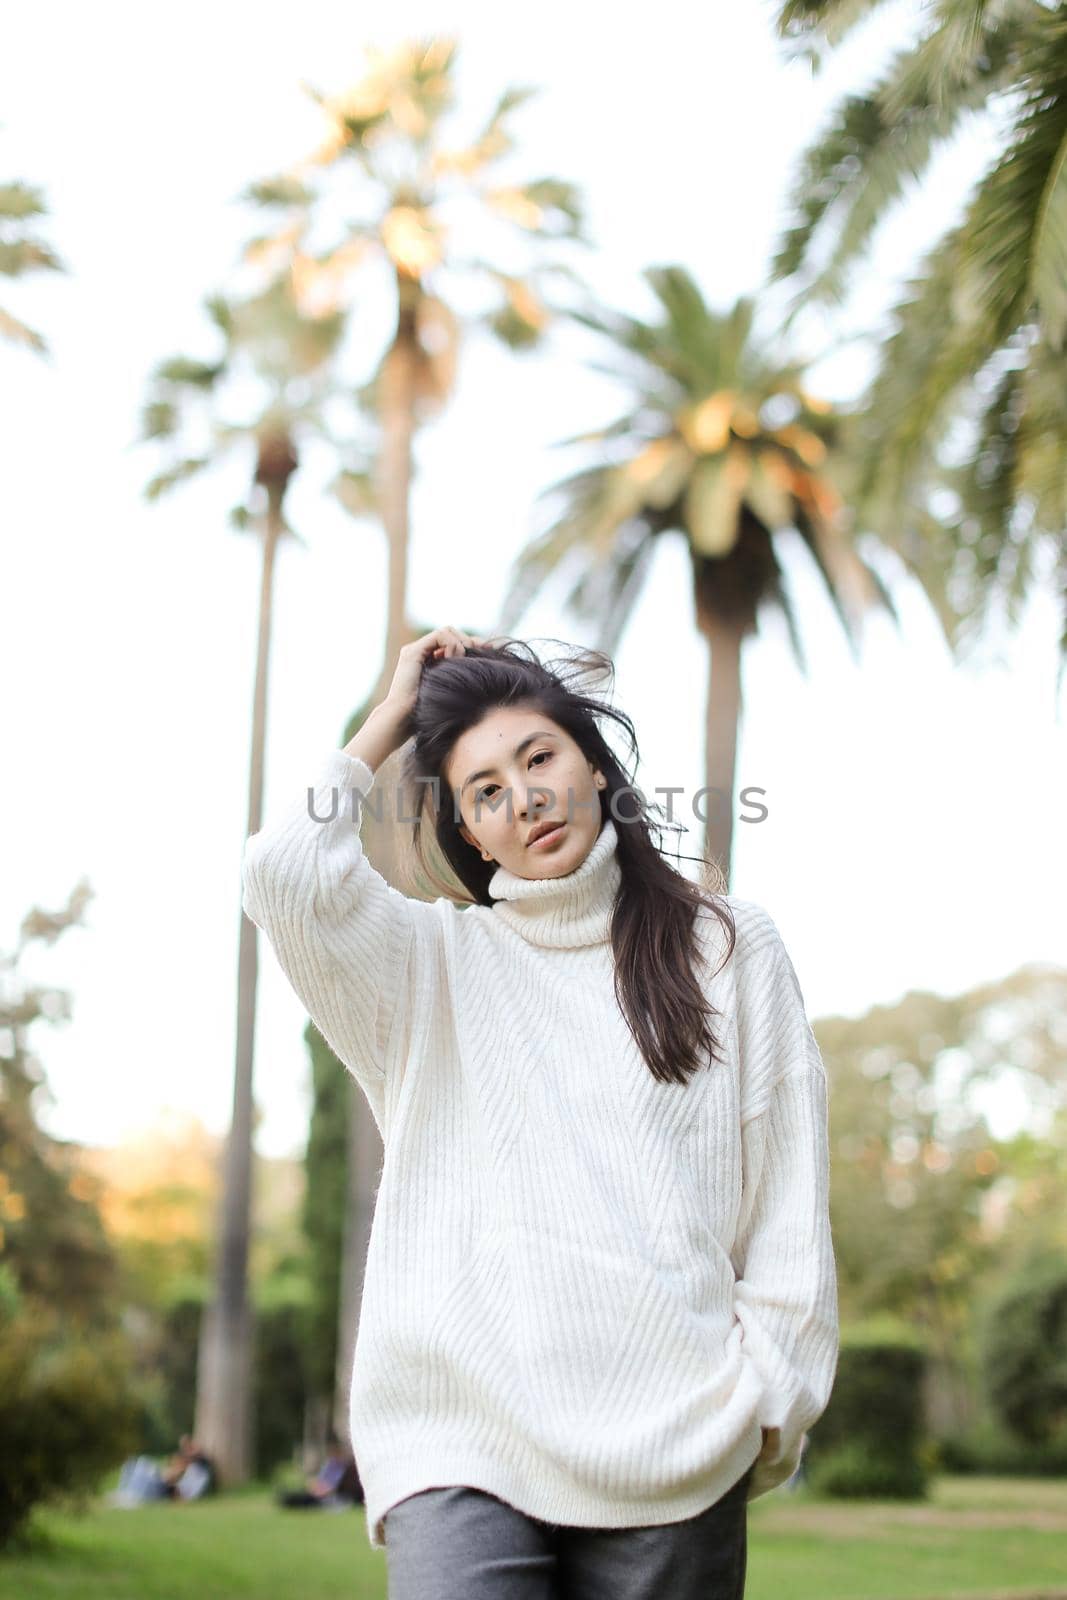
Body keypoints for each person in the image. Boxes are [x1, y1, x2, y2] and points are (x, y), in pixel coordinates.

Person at [242, 630, 839, 1599]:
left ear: (593, 767)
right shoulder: (426, 968)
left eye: (537, 757)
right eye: (483, 790)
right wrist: (391, 715)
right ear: (470, 833)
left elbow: (786, 1200)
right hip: (458, 1439)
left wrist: (765, 1403)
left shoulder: (728, 949)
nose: (521, 797)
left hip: (676, 1443)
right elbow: (283, 873)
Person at [277, 1436, 365, 1510]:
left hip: (327, 1495)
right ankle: (285, 1498)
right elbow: (320, 1480)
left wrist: (320, 1490)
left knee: (304, 1500)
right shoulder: (330, 1464)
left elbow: (332, 1487)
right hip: (319, 1491)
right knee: (300, 1495)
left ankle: (287, 1500)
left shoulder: (342, 1467)